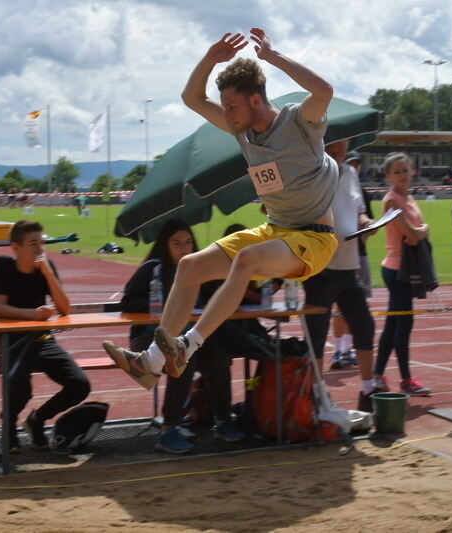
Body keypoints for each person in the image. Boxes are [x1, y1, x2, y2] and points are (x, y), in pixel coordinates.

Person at [102, 28, 338, 389]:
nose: (226, 115)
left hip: (314, 238)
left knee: (247, 261)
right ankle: (151, 363)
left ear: (256, 100)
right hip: (275, 231)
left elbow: (324, 91)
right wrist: (210, 60)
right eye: (225, 107)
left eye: (231, 106)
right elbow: (192, 97)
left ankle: (188, 344)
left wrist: (272, 57)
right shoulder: (243, 132)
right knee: (190, 265)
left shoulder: (298, 122)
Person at [122, 220, 244, 453]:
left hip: (186, 336)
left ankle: (223, 420)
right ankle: (169, 429)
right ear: (164, 245)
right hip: (149, 337)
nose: (183, 248)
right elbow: (127, 302)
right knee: (180, 357)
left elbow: (213, 298)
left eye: (188, 242)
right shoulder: (153, 267)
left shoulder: (199, 269)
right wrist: (159, 306)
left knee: (217, 355)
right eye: (176, 243)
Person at [0, 220, 90, 451]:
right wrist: (32, 314)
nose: (39, 248)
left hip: (42, 341)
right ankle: (9, 425)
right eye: (33, 243)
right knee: (21, 388)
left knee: (79, 385)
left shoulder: (46, 266)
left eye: (41, 242)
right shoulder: (4, 265)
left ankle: (37, 419)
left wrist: (48, 273)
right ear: (16, 247)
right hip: (10, 342)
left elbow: (64, 308)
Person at [303, 140, 376, 411]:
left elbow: (359, 210)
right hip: (320, 269)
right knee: (317, 335)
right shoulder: (310, 172)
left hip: (349, 266)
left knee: (365, 327)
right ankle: (318, 395)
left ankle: (368, 391)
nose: (339, 154)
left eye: (343, 150)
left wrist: (367, 223)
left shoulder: (349, 173)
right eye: (333, 149)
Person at [373, 152, 432, 396]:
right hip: (397, 270)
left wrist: (421, 230)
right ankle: (406, 379)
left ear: (413, 171)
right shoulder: (392, 201)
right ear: (387, 176)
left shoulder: (408, 196)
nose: (402, 175)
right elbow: (411, 235)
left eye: (405, 170)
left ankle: (377, 374)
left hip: (405, 268)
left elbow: (417, 231)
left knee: (393, 324)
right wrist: (424, 229)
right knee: (404, 324)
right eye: (396, 172)